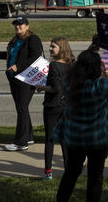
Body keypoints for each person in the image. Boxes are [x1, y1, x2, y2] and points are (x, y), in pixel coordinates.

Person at [52, 46, 108, 202]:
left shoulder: (69, 84)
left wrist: (92, 48)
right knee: (95, 177)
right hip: (98, 140)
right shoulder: (100, 86)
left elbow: (79, 64)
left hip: (75, 139)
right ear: (96, 68)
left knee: (71, 173)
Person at [0, 16, 43, 151]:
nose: (18, 27)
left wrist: (19, 66)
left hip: (26, 78)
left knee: (21, 108)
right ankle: (28, 137)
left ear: (27, 26)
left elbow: (36, 57)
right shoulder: (16, 40)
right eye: (16, 25)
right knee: (21, 108)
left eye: (21, 24)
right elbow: (9, 55)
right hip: (14, 78)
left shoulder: (33, 39)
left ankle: (21, 142)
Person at [35, 36, 74, 180]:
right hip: (66, 105)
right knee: (65, 139)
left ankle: (48, 171)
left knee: (50, 139)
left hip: (53, 105)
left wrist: (41, 87)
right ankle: (68, 170)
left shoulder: (54, 65)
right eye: (50, 46)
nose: (50, 49)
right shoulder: (71, 63)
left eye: (53, 47)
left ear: (61, 49)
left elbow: (56, 88)